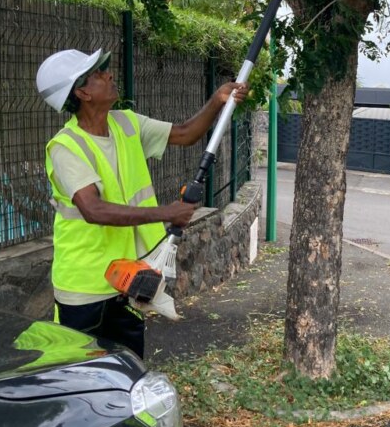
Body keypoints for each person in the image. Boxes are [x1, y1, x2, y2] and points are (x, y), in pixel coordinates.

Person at [36, 48, 248, 359]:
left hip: (128, 279)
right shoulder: (66, 147)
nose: (109, 75)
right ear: (82, 93)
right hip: (84, 286)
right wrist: (166, 213)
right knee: (81, 373)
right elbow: (93, 210)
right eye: (97, 74)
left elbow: (185, 133)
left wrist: (217, 100)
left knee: (128, 367)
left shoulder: (126, 124)